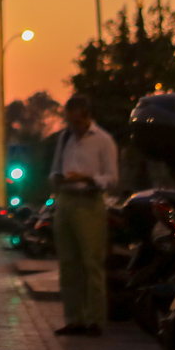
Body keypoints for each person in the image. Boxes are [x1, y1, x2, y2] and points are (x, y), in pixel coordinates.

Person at [48, 93, 118, 337]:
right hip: (65, 201)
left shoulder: (103, 140)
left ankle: (94, 320)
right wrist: (57, 178)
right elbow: (56, 168)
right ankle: (73, 318)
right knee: (68, 264)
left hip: (89, 202)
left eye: (77, 121)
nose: (73, 126)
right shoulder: (65, 138)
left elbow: (112, 178)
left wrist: (87, 178)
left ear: (87, 116)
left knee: (91, 262)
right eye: (69, 121)